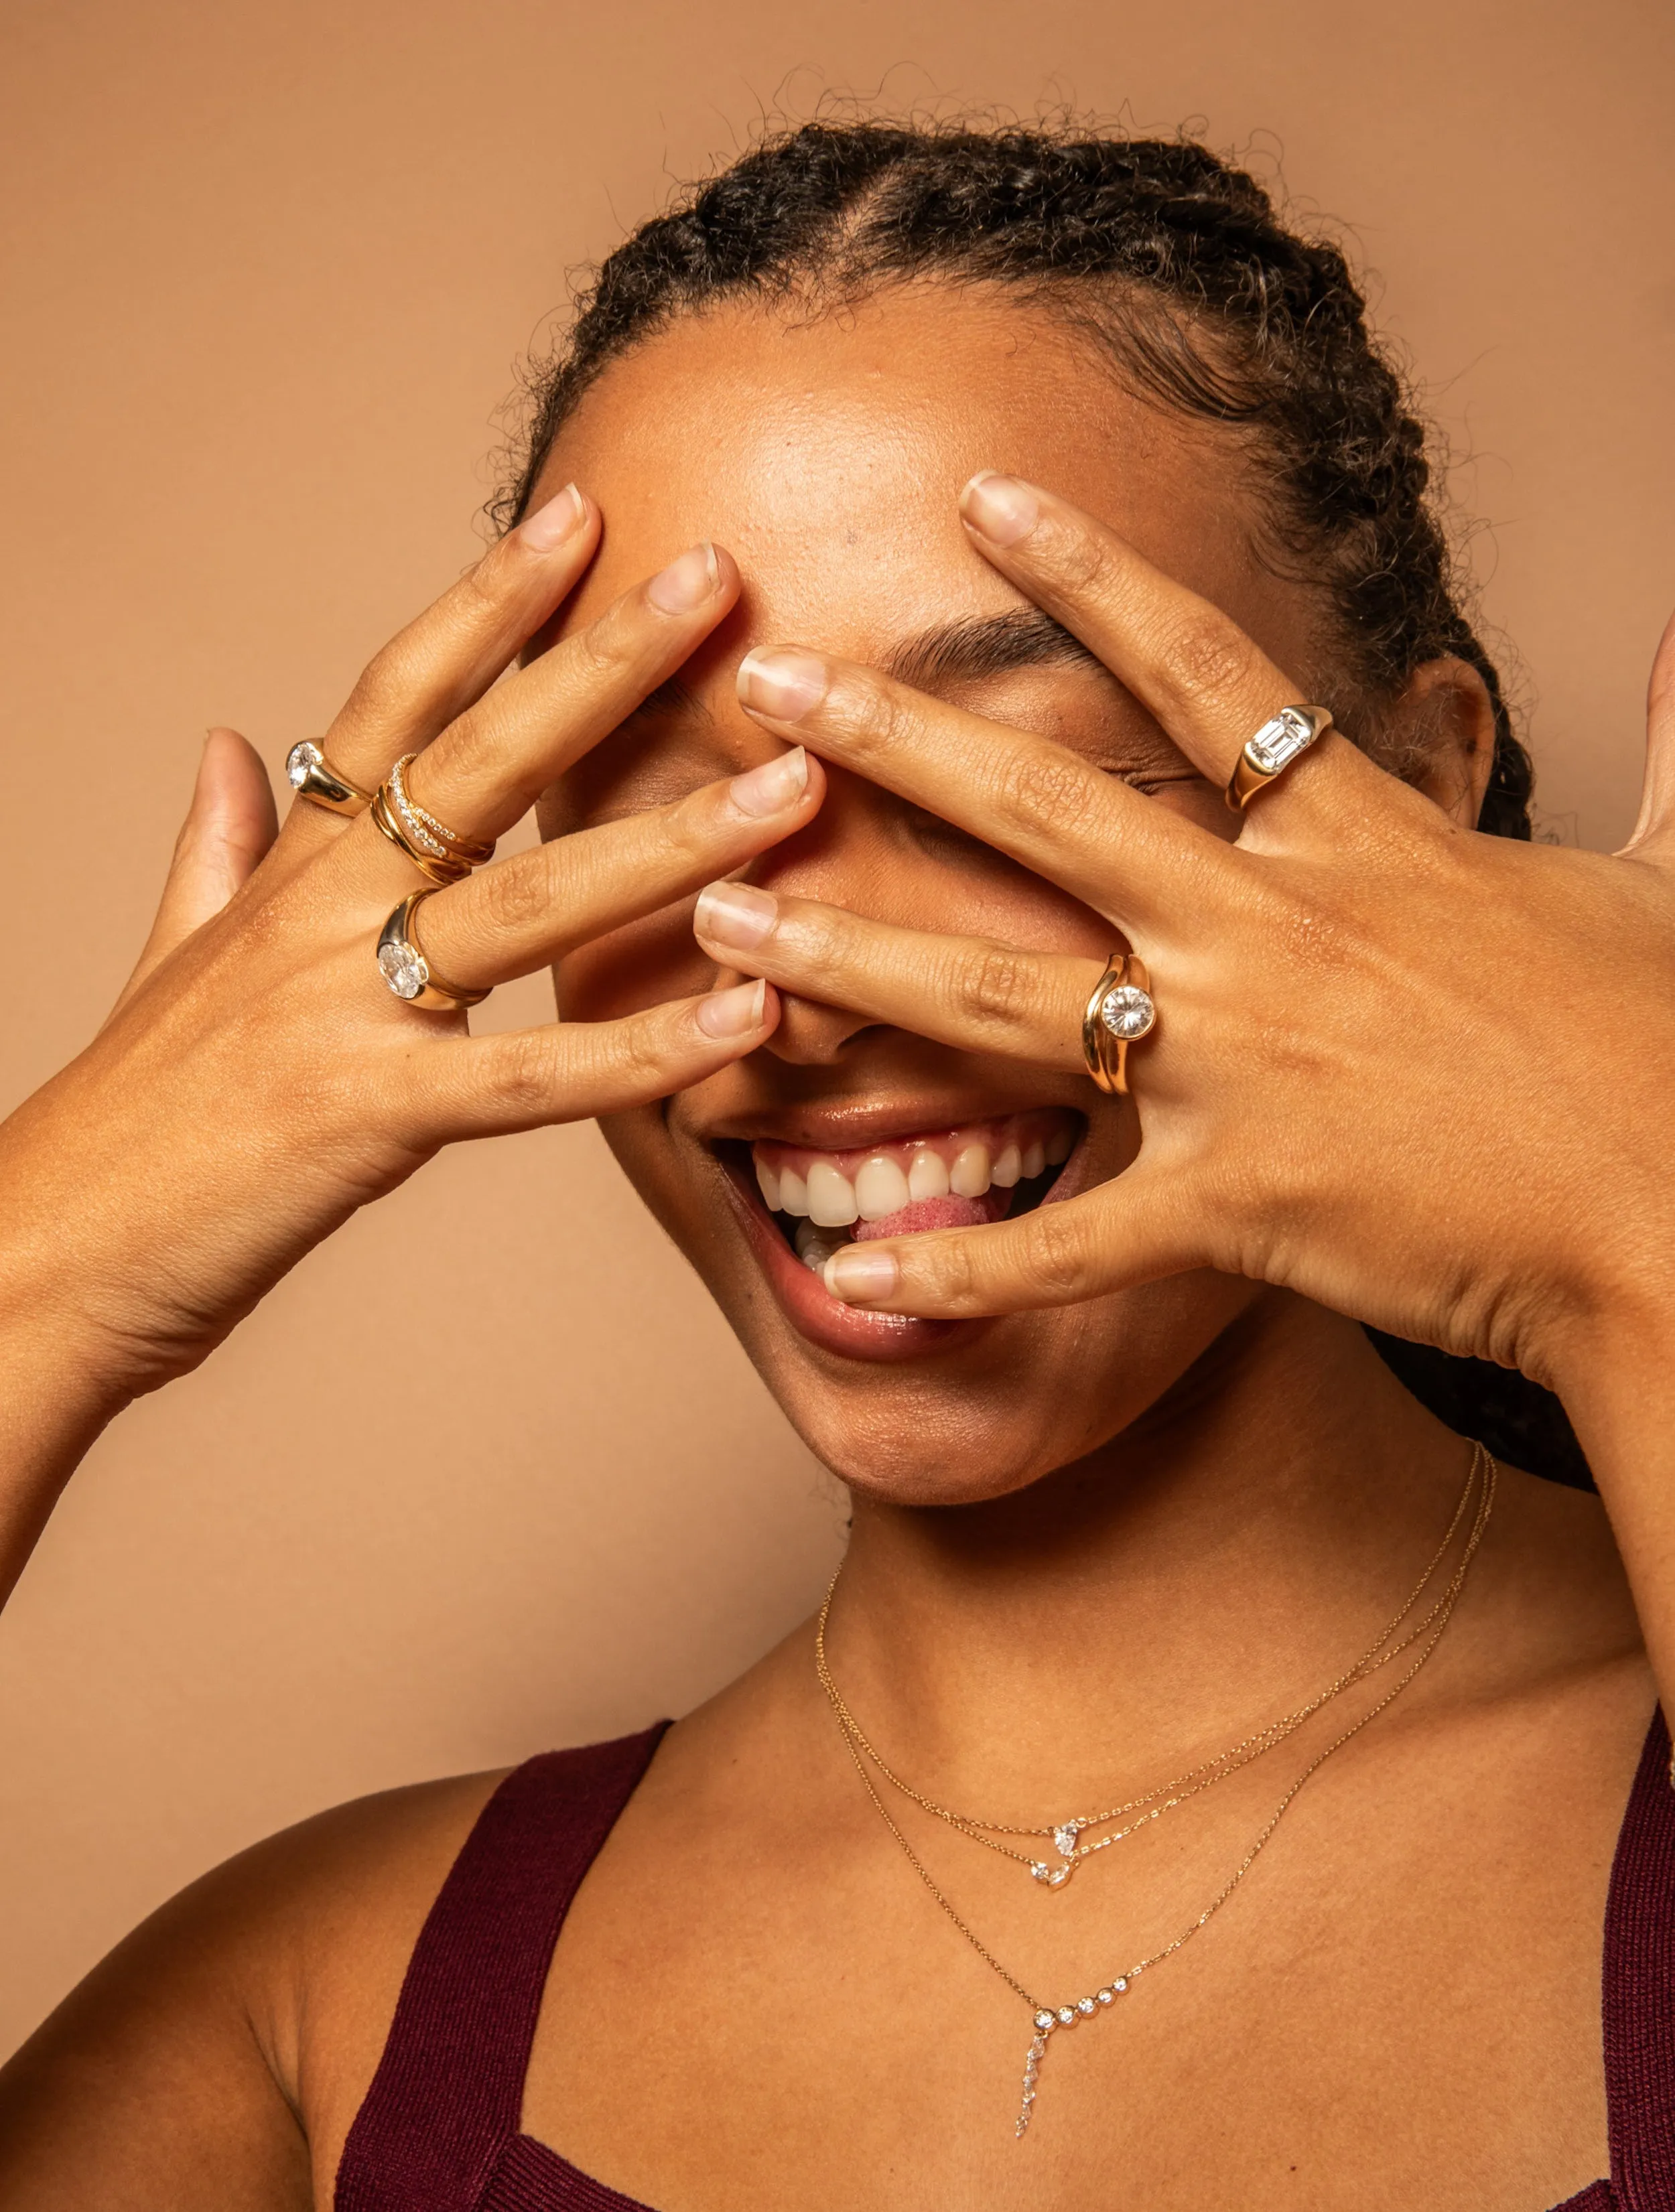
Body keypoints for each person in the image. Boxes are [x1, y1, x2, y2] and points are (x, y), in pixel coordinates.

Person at [1, 119, 1672, 2211]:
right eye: (653, 806)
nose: (806, 978)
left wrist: (1644, 1209)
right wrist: (40, 1263)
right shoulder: (312, 2024)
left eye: (995, 783)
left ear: (1425, 790)